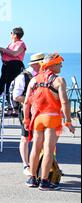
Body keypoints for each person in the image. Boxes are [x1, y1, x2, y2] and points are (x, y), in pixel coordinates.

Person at [24, 53, 75, 190]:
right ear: (52, 65)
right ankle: (44, 181)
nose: (61, 66)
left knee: (35, 148)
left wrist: (26, 120)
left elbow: (26, 103)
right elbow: (64, 102)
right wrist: (68, 121)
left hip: (38, 118)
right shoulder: (59, 81)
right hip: (52, 118)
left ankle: (32, 178)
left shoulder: (34, 80)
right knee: (48, 150)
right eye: (59, 64)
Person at [11, 53, 45, 176]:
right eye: (43, 63)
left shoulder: (42, 75)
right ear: (37, 64)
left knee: (41, 137)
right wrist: (33, 99)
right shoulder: (23, 77)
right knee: (25, 138)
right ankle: (26, 164)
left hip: (40, 111)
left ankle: (43, 165)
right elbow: (16, 96)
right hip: (26, 111)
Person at [0, 27, 27, 115]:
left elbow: (15, 53)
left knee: (13, 86)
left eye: (11, 33)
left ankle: (15, 108)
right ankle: (9, 107)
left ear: (15, 35)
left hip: (14, 66)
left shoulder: (21, 44)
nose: (10, 35)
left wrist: (4, 49)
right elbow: (6, 56)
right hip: (7, 66)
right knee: (4, 86)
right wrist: (2, 53)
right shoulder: (10, 44)